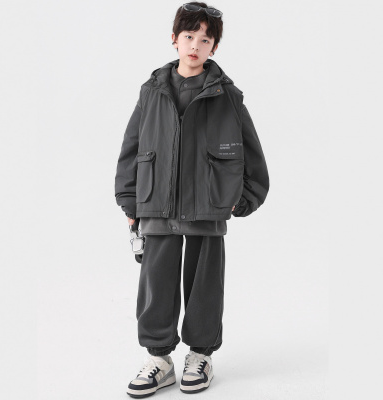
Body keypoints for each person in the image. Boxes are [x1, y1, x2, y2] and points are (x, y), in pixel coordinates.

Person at [114, 2, 269, 397]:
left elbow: (252, 153)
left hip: (207, 202)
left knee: (204, 286)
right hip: (157, 202)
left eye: (205, 39)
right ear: (174, 39)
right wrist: (130, 202)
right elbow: (132, 148)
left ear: (214, 47)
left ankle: (200, 355)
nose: (195, 45)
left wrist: (242, 198)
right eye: (189, 36)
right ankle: (159, 360)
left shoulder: (227, 95)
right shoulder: (152, 91)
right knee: (156, 284)